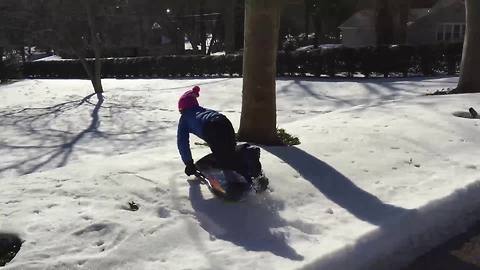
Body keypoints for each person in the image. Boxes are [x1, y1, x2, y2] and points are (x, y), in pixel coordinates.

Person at [176, 86, 268, 192]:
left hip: (211, 128)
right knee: (230, 152)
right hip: (224, 122)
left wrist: (188, 163)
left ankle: (238, 184)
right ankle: (247, 155)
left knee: (224, 160)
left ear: (182, 109)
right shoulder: (203, 110)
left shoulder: (184, 119)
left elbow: (182, 142)